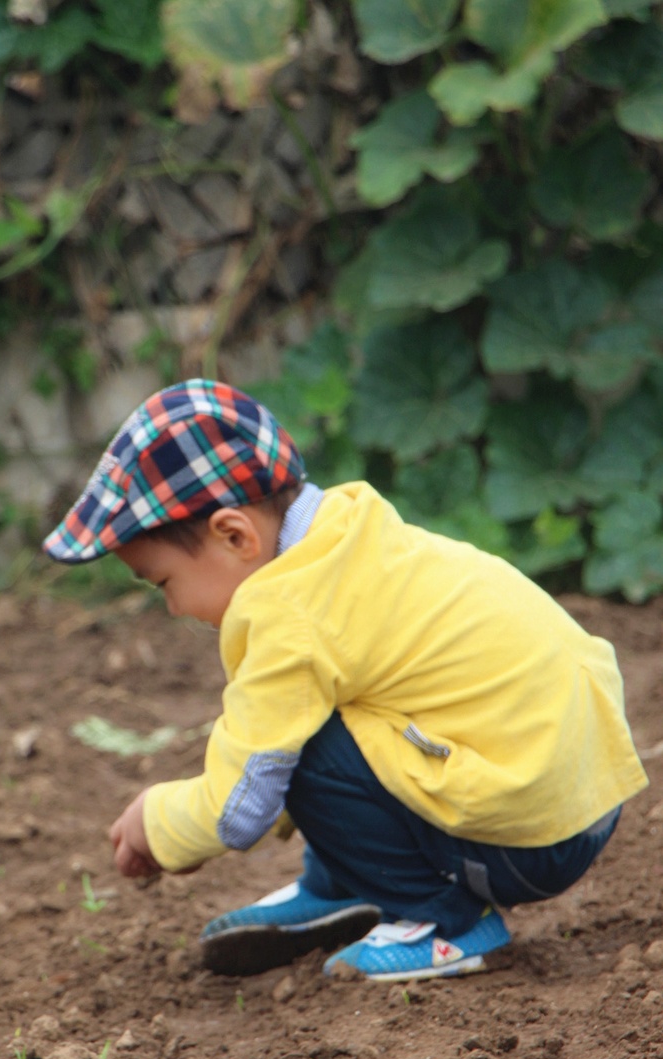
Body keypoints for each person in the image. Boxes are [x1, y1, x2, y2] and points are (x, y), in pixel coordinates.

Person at [43, 379, 647, 982]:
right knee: (333, 716)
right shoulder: (349, 535)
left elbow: (239, 806)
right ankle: (346, 884)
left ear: (235, 536)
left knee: (299, 743)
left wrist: (158, 822)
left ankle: (447, 921)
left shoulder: (292, 613)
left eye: (164, 583)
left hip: (530, 835)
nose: (173, 609)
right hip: (579, 792)